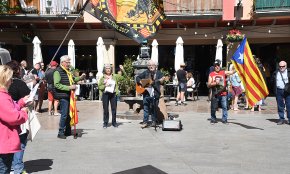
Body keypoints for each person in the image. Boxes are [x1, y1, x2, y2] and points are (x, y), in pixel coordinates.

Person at [0, 65, 29, 174]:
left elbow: (8, 109)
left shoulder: (3, 95)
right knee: (3, 170)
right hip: (3, 141)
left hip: (3, 141)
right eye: (10, 79)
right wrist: (24, 113)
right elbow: (13, 117)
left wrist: (20, 103)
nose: (12, 81)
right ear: (5, 80)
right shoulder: (2, 97)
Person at [53, 55, 85, 139]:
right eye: (67, 62)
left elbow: (73, 79)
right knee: (64, 114)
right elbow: (56, 84)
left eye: (69, 62)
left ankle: (67, 131)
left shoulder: (68, 71)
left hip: (69, 95)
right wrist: (69, 87)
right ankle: (60, 132)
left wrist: (80, 77)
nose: (69, 64)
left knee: (69, 114)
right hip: (63, 95)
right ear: (62, 62)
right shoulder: (57, 71)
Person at [136, 60, 164, 128]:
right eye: (149, 65)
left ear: (155, 66)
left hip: (155, 93)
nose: (151, 66)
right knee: (146, 108)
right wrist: (141, 82)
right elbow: (137, 77)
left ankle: (153, 121)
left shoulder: (159, 73)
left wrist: (161, 81)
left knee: (154, 108)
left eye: (152, 65)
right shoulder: (146, 72)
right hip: (146, 93)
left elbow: (162, 82)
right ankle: (145, 122)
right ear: (148, 66)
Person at [207, 59, 234, 124]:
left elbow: (232, 72)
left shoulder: (223, 72)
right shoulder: (211, 74)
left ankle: (224, 120)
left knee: (224, 107)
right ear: (214, 67)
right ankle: (213, 119)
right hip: (215, 93)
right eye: (216, 66)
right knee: (213, 107)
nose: (217, 67)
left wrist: (239, 67)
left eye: (218, 65)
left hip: (223, 93)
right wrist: (215, 83)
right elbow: (208, 85)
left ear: (220, 66)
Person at [271, 60, 290, 125]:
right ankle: (281, 119)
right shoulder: (275, 73)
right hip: (279, 90)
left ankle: (289, 119)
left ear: (286, 66)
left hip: (288, 91)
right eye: (280, 66)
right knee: (280, 106)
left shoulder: (289, 72)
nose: (281, 67)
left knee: (289, 105)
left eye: (283, 66)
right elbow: (272, 81)